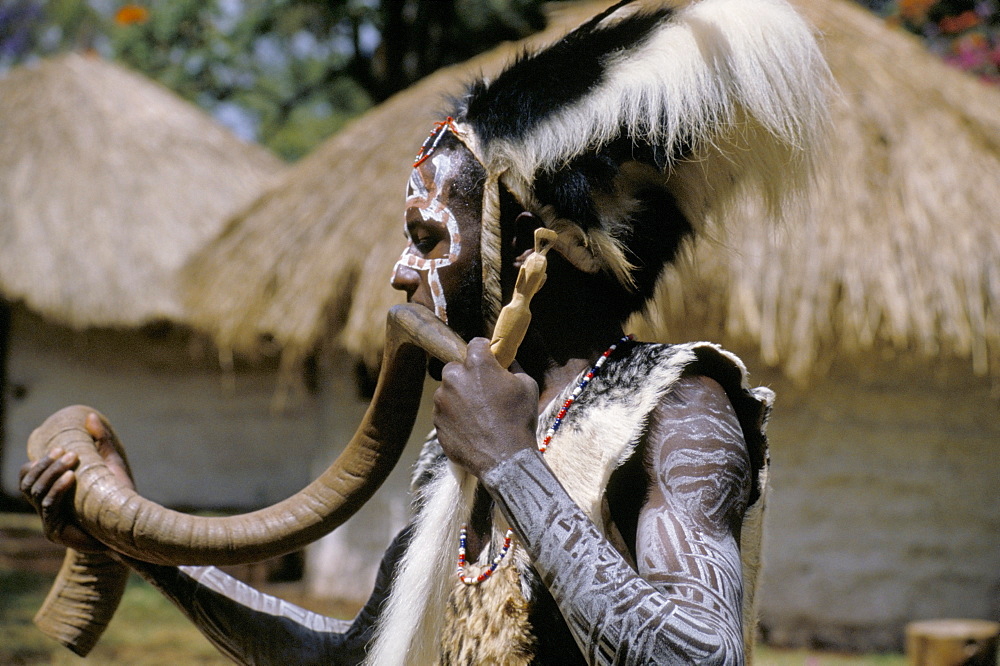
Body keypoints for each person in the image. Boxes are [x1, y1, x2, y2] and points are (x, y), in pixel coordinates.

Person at [21, 0, 832, 663]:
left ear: (543, 245)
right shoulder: (461, 453)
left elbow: (701, 654)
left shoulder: (678, 408)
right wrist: (134, 535)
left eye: (430, 238)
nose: (402, 275)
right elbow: (354, 658)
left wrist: (512, 465)